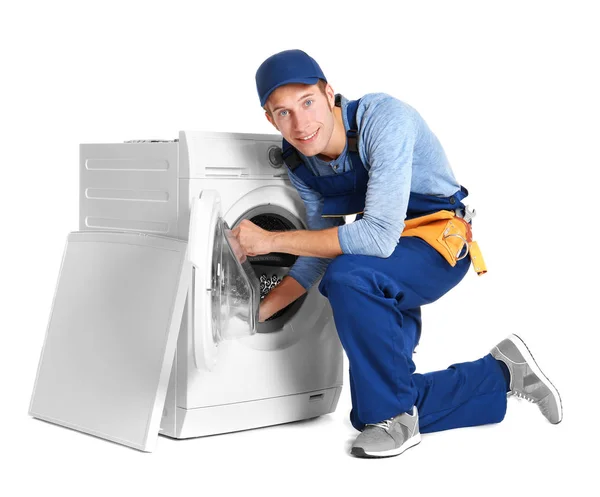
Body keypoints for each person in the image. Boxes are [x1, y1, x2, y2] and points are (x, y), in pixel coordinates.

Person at [232, 49, 562, 458]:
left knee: (348, 278)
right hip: (386, 263)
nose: (300, 124)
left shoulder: (383, 119)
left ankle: (393, 418)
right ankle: (499, 374)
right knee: (379, 402)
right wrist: (254, 311)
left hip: (436, 244)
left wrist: (271, 240)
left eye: (308, 103)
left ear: (329, 93)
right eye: (283, 113)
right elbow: (317, 250)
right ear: (269, 118)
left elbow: (377, 237)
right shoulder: (300, 163)